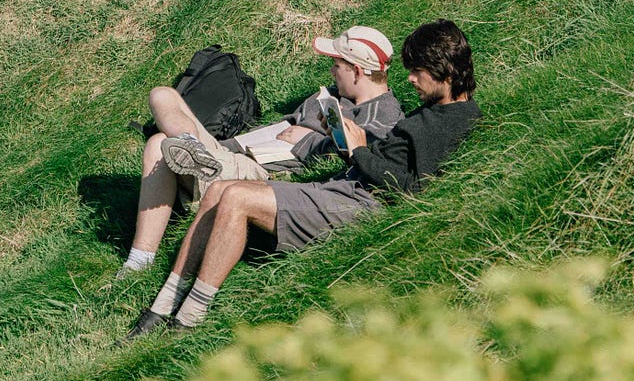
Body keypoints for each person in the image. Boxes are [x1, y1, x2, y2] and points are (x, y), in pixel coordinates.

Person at [130, 18, 479, 334]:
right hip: (344, 187)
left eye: (418, 71)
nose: (411, 78)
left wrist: (359, 151)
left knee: (236, 196)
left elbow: (408, 187)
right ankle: (162, 305)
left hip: (359, 203)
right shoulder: (435, 111)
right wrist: (350, 148)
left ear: (444, 70)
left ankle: (188, 318)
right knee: (220, 189)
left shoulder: (450, 120)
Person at [116, 26, 402, 282]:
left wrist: (308, 139)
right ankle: (191, 146)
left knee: (158, 144)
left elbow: (352, 159)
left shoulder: (383, 117)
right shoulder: (332, 93)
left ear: (357, 71)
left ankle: (139, 261)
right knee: (161, 94)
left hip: (259, 170)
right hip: (235, 150)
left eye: (336, 65)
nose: (331, 71)